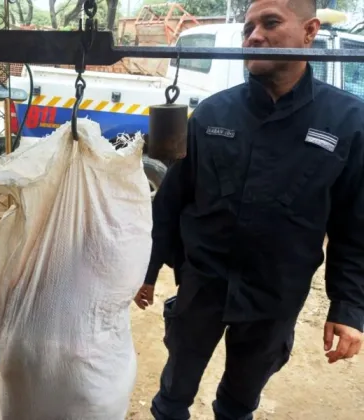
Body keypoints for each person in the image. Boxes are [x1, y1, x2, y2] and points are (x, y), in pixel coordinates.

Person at [134, 0, 364, 419]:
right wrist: (145, 272)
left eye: (270, 23)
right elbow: (171, 201)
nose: (253, 35)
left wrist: (348, 308)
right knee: (172, 397)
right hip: (201, 287)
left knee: (238, 404)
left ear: (310, 31)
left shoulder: (348, 122)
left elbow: (355, 227)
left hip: (274, 298)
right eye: (247, 27)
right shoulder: (212, 113)